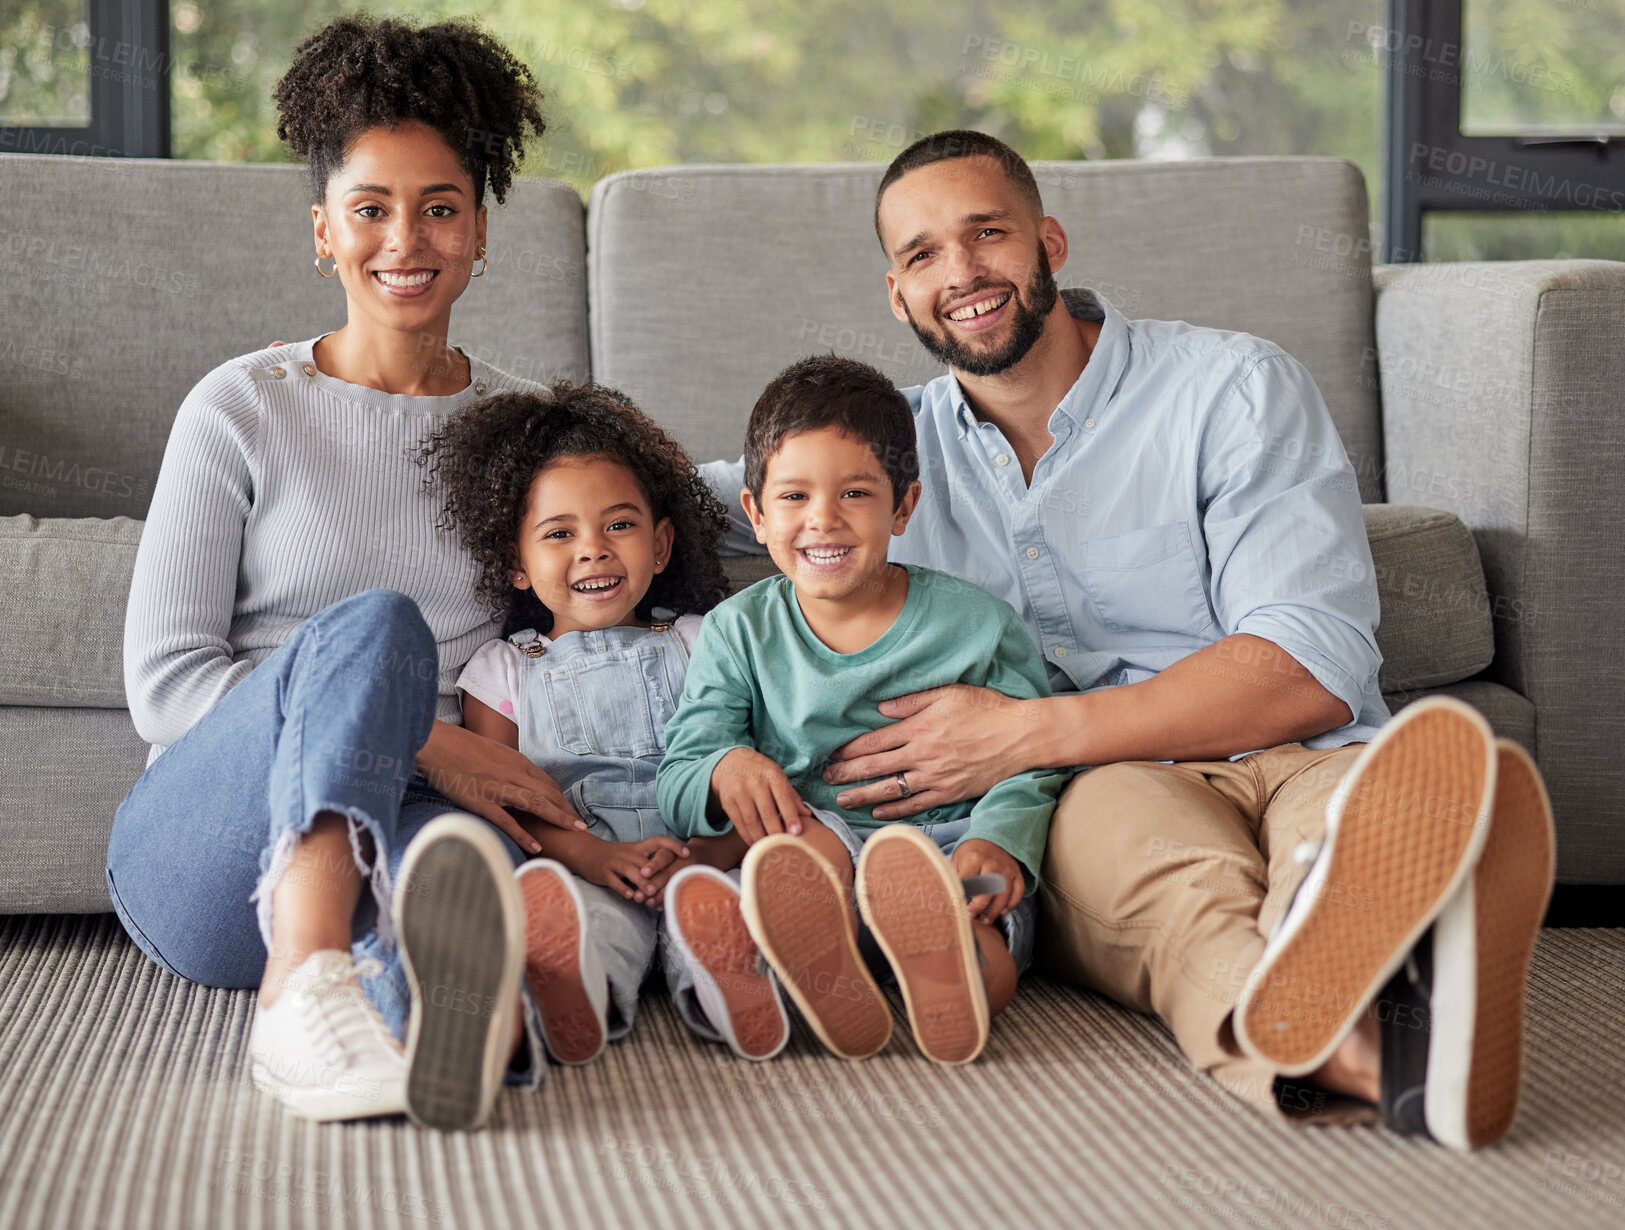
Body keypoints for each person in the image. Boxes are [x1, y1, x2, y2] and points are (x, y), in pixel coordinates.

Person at [700, 131, 1554, 1144]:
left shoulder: (1230, 388)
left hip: (1305, 751)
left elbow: (1309, 663)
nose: (962, 273)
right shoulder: (872, 460)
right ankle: (1376, 1051)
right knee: (1181, 900)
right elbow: (653, 501)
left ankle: (1370, 934)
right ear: (897, 295)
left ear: (1048, 241)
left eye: (987, 235)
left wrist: (1022, 734)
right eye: (923, 255)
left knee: (1348, 839)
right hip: (1113, 783)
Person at [106, 15, 582, 1130]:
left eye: (440, 208)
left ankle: (418, 1011)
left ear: (479, 233)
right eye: (369, 209)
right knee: (376, 629)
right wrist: (428, 735)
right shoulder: (241, 406)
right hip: (209, 856)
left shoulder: (519, 429)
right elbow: (165, 685)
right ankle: (299, 986)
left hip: (416, 821)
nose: (402, 239)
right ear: (324, 231)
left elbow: (643, 530)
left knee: (476, 899)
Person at [659, 355, 1070, 1066]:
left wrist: (999, 842)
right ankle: (816, 965)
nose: (823, 519)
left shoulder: (976, 623)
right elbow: (680, 769)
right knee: (799, 849)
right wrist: (725, 766)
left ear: (902, 506)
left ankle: (950, 983)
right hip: (821, 848)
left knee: (980, 939)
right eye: (793, 497)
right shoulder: (736, 629)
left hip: (947, 846)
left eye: (854, 492)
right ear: (754, 514)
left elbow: (1030, 759)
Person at [425, 381, 793, 1063]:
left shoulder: (700, 638)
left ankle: (734, 985)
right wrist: (597, 858)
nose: (592, 550)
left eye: (618, 525)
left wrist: (708, 856)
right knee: (583, 926)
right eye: (559, 534)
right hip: (586, 864)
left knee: (732, 913)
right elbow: (506, 802)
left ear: (659, 546)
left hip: (704, 856)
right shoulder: (501, 670)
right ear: (515, 564)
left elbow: (750, 757)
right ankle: (573, 991)